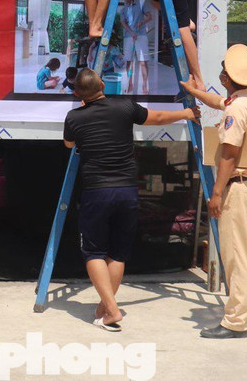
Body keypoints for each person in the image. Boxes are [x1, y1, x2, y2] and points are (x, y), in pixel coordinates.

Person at [63, 67, 198, 330]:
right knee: (118, 253)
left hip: (97, 191)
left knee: (93, 252)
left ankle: (111, 310)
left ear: (79, 93)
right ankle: (106, 307)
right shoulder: (124, 106)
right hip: (127, 190)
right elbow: (157, 117)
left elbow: (69, 145)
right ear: (103, 85)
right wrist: (186, 113)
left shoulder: (74, 117)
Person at [181, 44, 247, 337]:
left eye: (223, 70)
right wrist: (197, 92)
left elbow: (229, 156)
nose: (220, 73)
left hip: (239, 190)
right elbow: (219, 101)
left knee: (237, 257)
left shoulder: (236, 110)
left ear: (228, 77)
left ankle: (235, 322)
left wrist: (217, 193)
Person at [118, 0, 154, 94]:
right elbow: (123, 23)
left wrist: (142, 22)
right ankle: (130, 84)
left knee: (143, 62)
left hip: (141, 35)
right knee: (129, 61)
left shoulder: (141, 4)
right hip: (129, 37)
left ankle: (144, 85)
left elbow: (149, 16)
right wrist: (131, 32)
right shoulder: (123, 10)